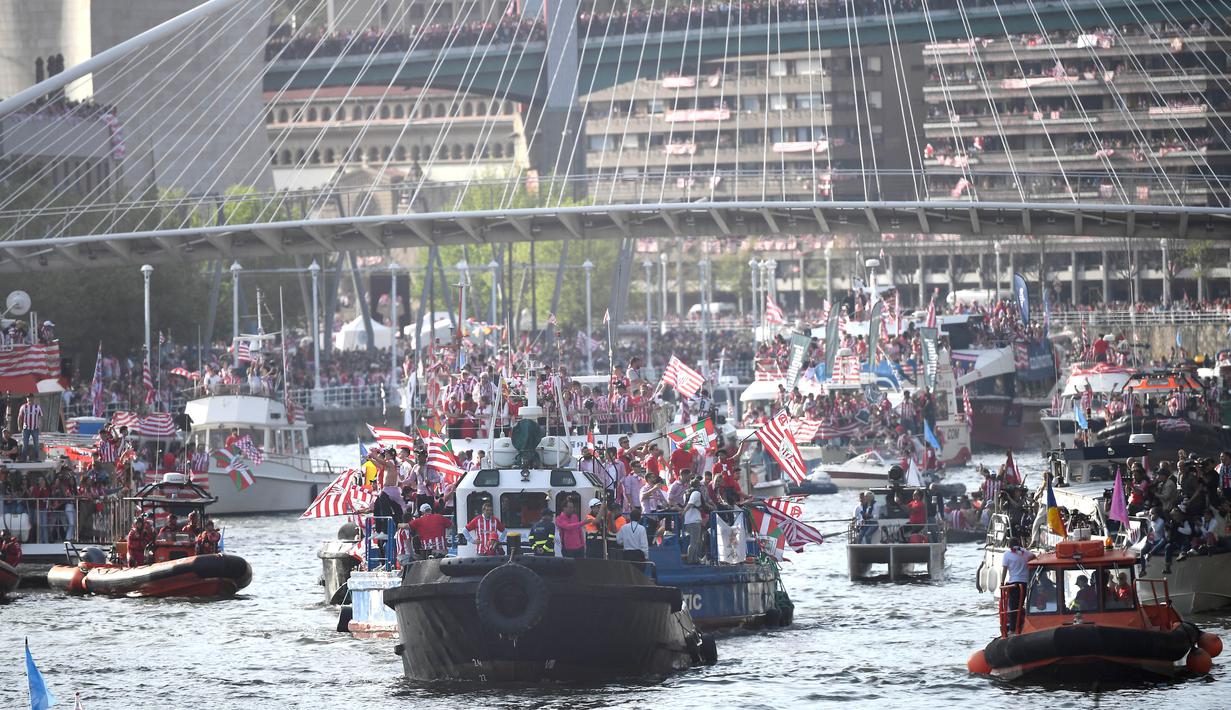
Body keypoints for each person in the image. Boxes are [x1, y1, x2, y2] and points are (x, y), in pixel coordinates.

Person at [1000, 537, 1035, 635]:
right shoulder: (1025, 553)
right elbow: (1034, 556)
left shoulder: (1007, 555)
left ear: (1009, 545)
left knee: (1013, 606)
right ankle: (1022, 625)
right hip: (1024, 583)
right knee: (1021, 604)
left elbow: (1005, 569)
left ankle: (1012, 629)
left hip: (1013, 583)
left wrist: (1002, 582)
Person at [683, 486, 705, 564]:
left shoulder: (686, 493)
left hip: (691, 521)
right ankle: (691, 560)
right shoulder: (696, 493)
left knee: (698, 542)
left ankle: (695, 559)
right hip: (694, 522)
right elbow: (690, 504)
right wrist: (683, 513)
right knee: (694, 542)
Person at [17, 395, 42, 462]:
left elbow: (39, 418)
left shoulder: (37, 407)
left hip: (35, 428)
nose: (30, 399)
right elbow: (20, 417)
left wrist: (40, 428)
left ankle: (37, 458)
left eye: (31, 397)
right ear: (26, 398)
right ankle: (23, 458)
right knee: (25, 444)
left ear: (33, 398)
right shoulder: (23, 407)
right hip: (26, 428)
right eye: (28, 397)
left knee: (36, 444)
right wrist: (19, 426)